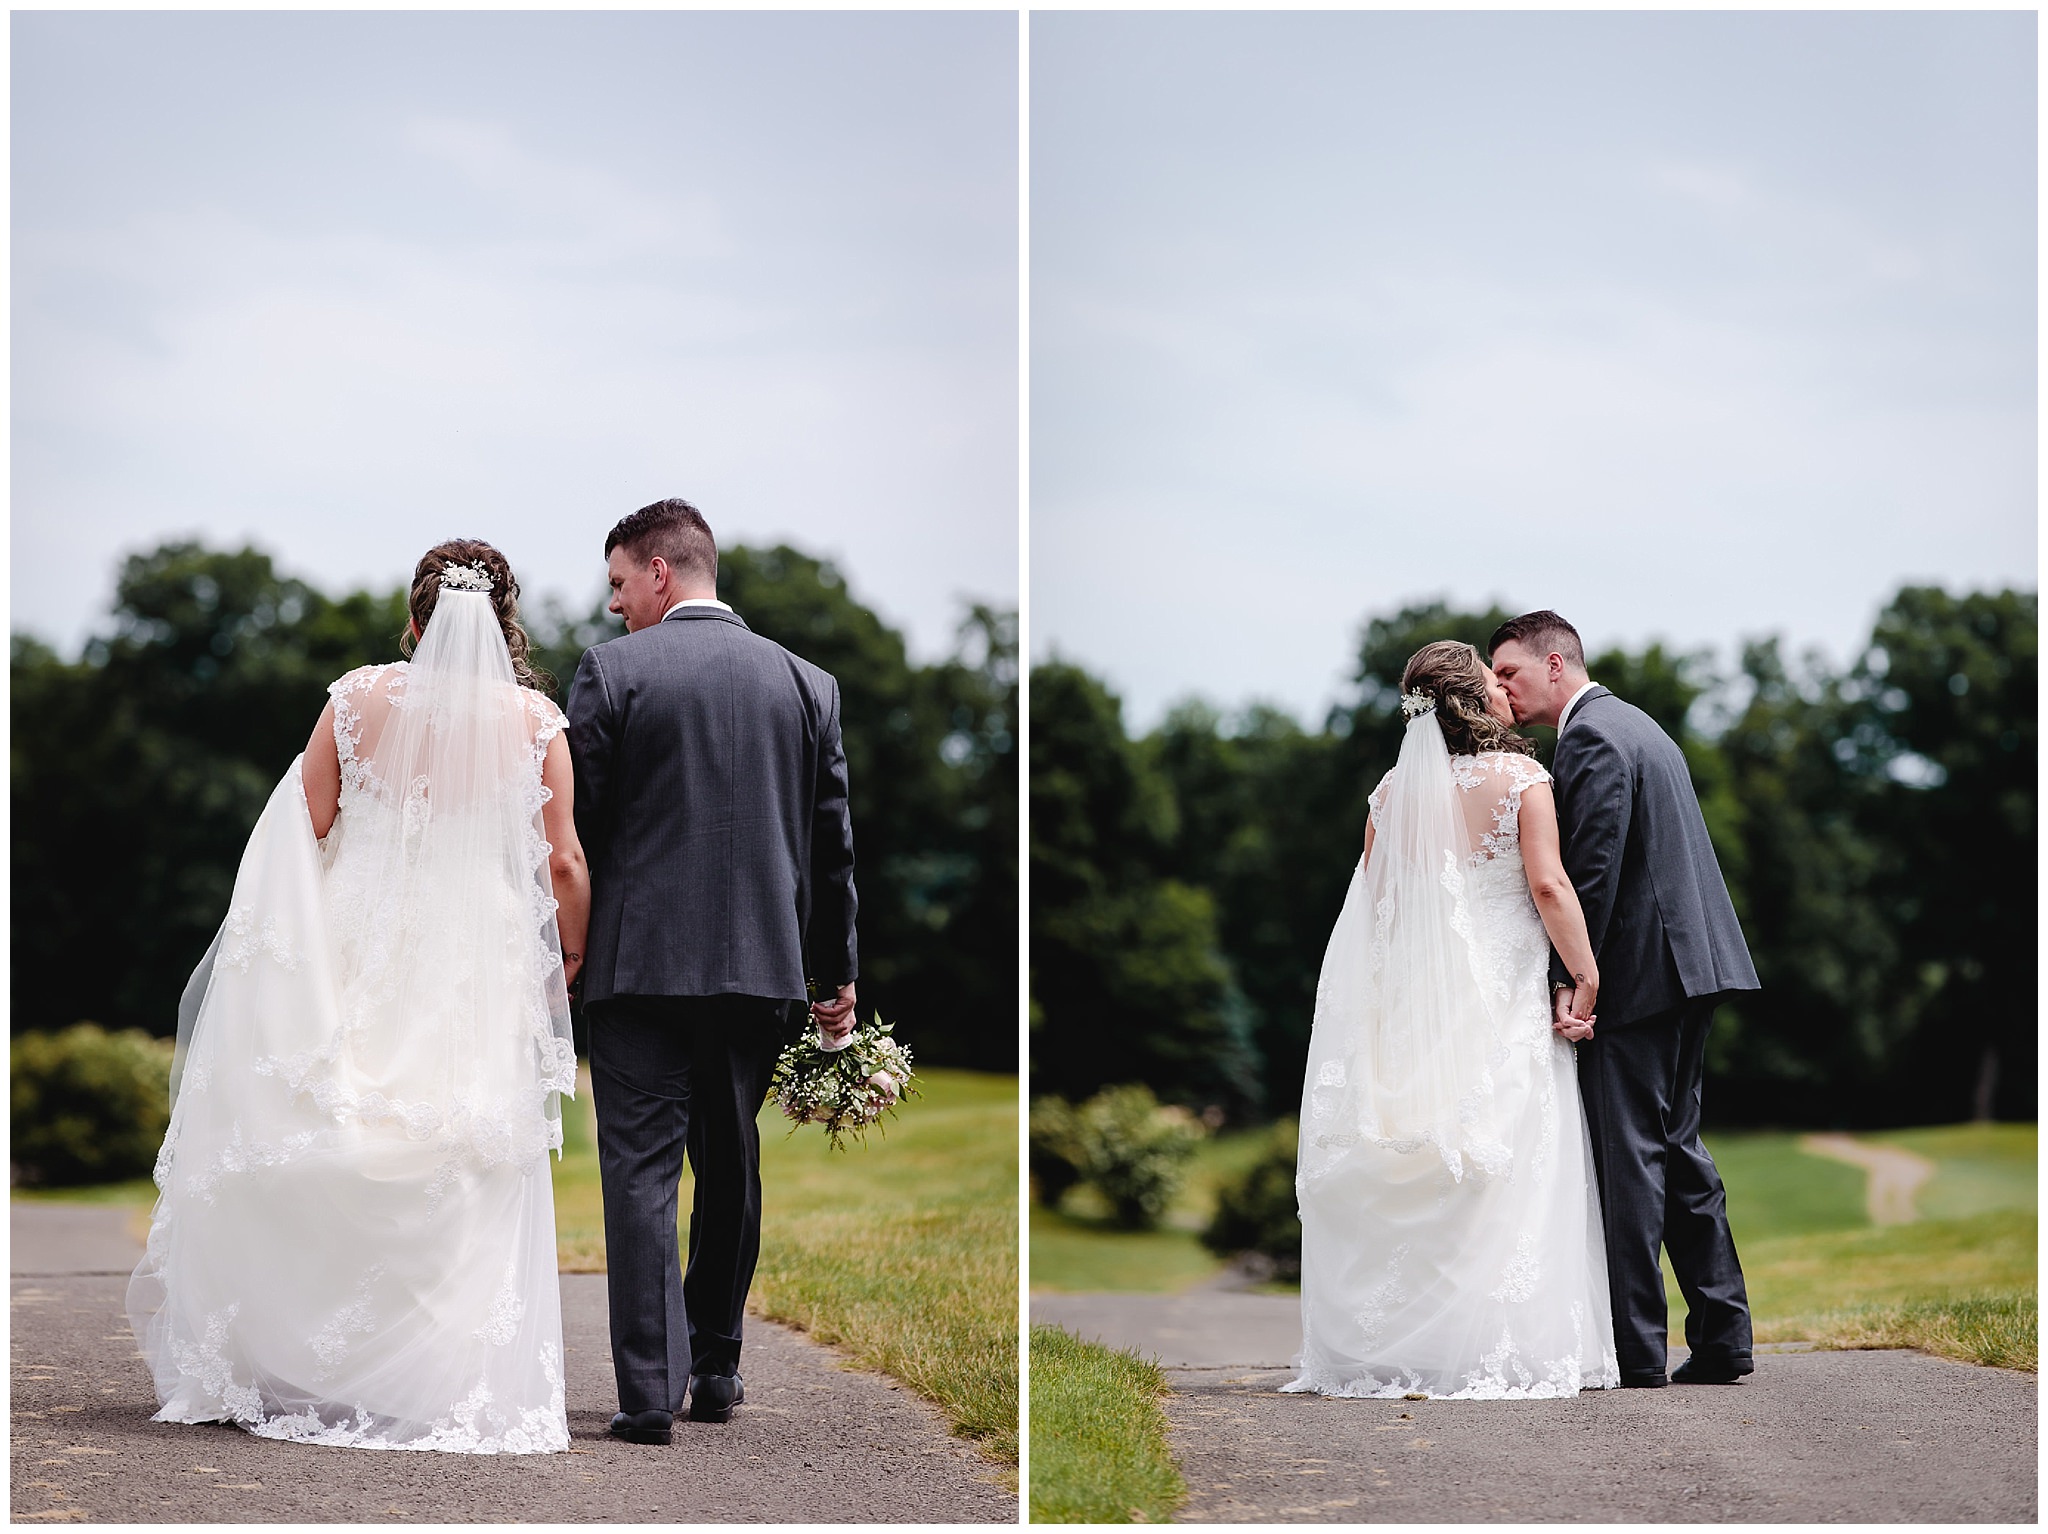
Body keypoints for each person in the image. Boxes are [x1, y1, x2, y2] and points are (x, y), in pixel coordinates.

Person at [128, 540, 586, 1453]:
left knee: (334, 1131)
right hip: (477, 957)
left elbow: (308, 823)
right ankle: (440, 1378)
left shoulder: (355, 699)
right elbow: (564, 859)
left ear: (414, 623)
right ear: (505, 625)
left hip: (356, 939)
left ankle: (302, 1359)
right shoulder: (537, 722)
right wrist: (566, 956)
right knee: (461, 1152)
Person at [567, 498, 859, 1447]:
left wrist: (566, 951)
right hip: (758, 970)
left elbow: (580, 834)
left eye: (618, 583)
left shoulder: (613, 674)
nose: (612, 606)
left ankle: (650, 1393)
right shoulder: (807, 684)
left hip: (636, 969)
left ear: (660, 572)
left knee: (640, 1173)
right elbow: (831, 849)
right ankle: (720, 1365)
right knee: (731, 1163)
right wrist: (833, 972)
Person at [1286, 640, 1618, 1400]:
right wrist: (1586, 973)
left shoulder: (1390, 793)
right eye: (1494, 681)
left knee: (1433, 1154)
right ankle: (1503, 1343)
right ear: (1477, 701)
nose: (1507, 689)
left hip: (1418, 1003)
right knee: (1506, 1157)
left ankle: (1420, 1343)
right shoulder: (1525, 778)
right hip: (1500, 992)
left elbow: (1378, 906)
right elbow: (1548, 883)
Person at [1488, 610, 1760, 1388]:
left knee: (1632, 1157)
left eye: (1508, 672)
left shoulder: (1591, 738)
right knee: (1678, 1151)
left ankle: (1636, 1349)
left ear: (1553, 662)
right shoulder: (1640, 725)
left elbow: (1592, 875)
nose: (1500, 689)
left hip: (1639, 980)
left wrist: (1573, 982)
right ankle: (1721, 1336)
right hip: (1688, 971)